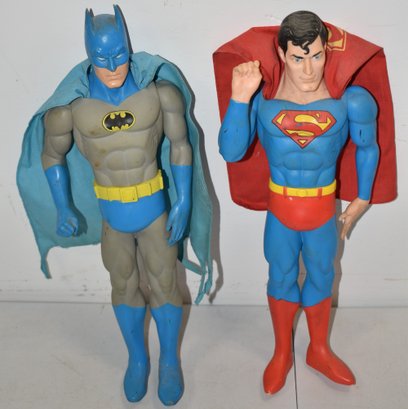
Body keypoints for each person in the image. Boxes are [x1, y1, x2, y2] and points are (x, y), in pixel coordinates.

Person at [17, 6, 212, 406]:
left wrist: (184, 202)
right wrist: (63, 207)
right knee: (123, 285)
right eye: (101, 57)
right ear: (88, 52)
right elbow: (51, 156)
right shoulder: (70, 109)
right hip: (112, 215)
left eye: (119, 55)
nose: (111, 66)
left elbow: (181, 146)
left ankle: (169, 360)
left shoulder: (160, 94)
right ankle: (138, 358)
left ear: (128, 46)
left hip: (155, 211)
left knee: (165, 284)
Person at [216, 10, 395, 394]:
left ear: (327, 51)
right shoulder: (263, 101)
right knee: (280, 277)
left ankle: (318, 349)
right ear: (282, 54)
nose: (309, 69)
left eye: (316, 55)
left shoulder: (350, 102)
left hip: (322, 211)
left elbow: (369, 147)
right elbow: (231, 151)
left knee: (322, 276)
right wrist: (239, 97)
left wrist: (363, 198)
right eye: (298, 58)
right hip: (280, 212)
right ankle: (282, 352)